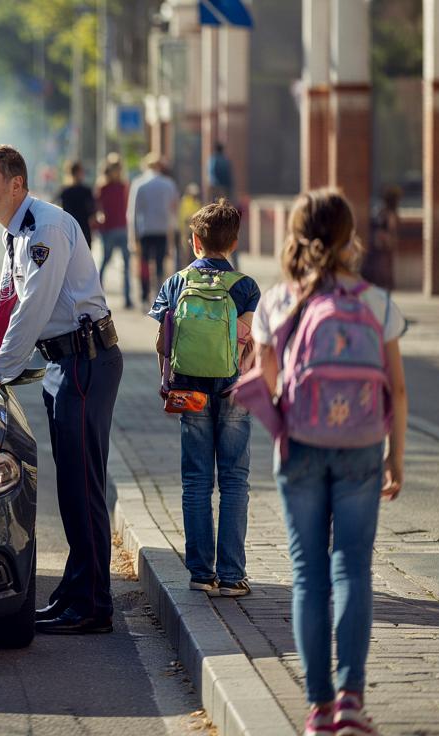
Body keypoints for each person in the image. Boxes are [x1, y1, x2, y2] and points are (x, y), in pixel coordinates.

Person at [0, 144, 122, 635]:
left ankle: (92, 606)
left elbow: (33, 308)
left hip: (86, 362)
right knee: (72, 487)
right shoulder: (15, 232)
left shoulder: (46, 229)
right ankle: (75, 592)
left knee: (83, 489)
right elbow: (5, 301)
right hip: (65, 364)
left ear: (16, 184)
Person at [250, 190, 406, 736]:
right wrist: (397, 457)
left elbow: (268, 383)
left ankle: (317, 708)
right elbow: (400, 392)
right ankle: (351, 702)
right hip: (364, 444)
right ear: (349, 236)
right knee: (353, 570)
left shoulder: (276, 302)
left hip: (300, 446)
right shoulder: (376, 302)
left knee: (308, 576)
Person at [148, 199, 260, 597]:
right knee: (234, 480)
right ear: (234, 242)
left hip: (189, 388)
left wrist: (167, 376)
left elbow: (163, 341)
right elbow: (246, 343)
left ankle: (200, 573)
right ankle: (232, 575)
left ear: (195, 241)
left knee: (196, 481)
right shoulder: (246, 287)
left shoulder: (175, 283)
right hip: (233, 389)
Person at [128, 154, 179, 310]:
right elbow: (175, 207)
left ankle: (144, 296)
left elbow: (133, 212)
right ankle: (159, 295)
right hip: (162, 229)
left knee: (144, 263)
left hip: (145, 230)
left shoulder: (139, 183)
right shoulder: (168, 184)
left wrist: (132, 235)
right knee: (160, 264)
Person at [95, 157, 132, 308]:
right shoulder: (103, 188)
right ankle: (97, 295)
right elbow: (98, 208)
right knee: (105, 262)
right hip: (109, 229)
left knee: (126, 265)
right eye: (115, 168)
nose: (117, 172)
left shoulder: (124, 186)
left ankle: (128, 298)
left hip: (122, 228)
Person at [364, 185, 400, 291]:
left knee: (385, 266)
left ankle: (385, 285)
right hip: (382, 245)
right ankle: (383, 285)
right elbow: (384, 230)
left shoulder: (385, 212)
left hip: (383, 244)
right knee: (382, 267)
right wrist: (388, 240)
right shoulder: (385, 213)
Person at [57, 161, 95, 248]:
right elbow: (92, 211)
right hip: (80, 230)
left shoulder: (65, 191)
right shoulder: (85, 190)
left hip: (71, 229)